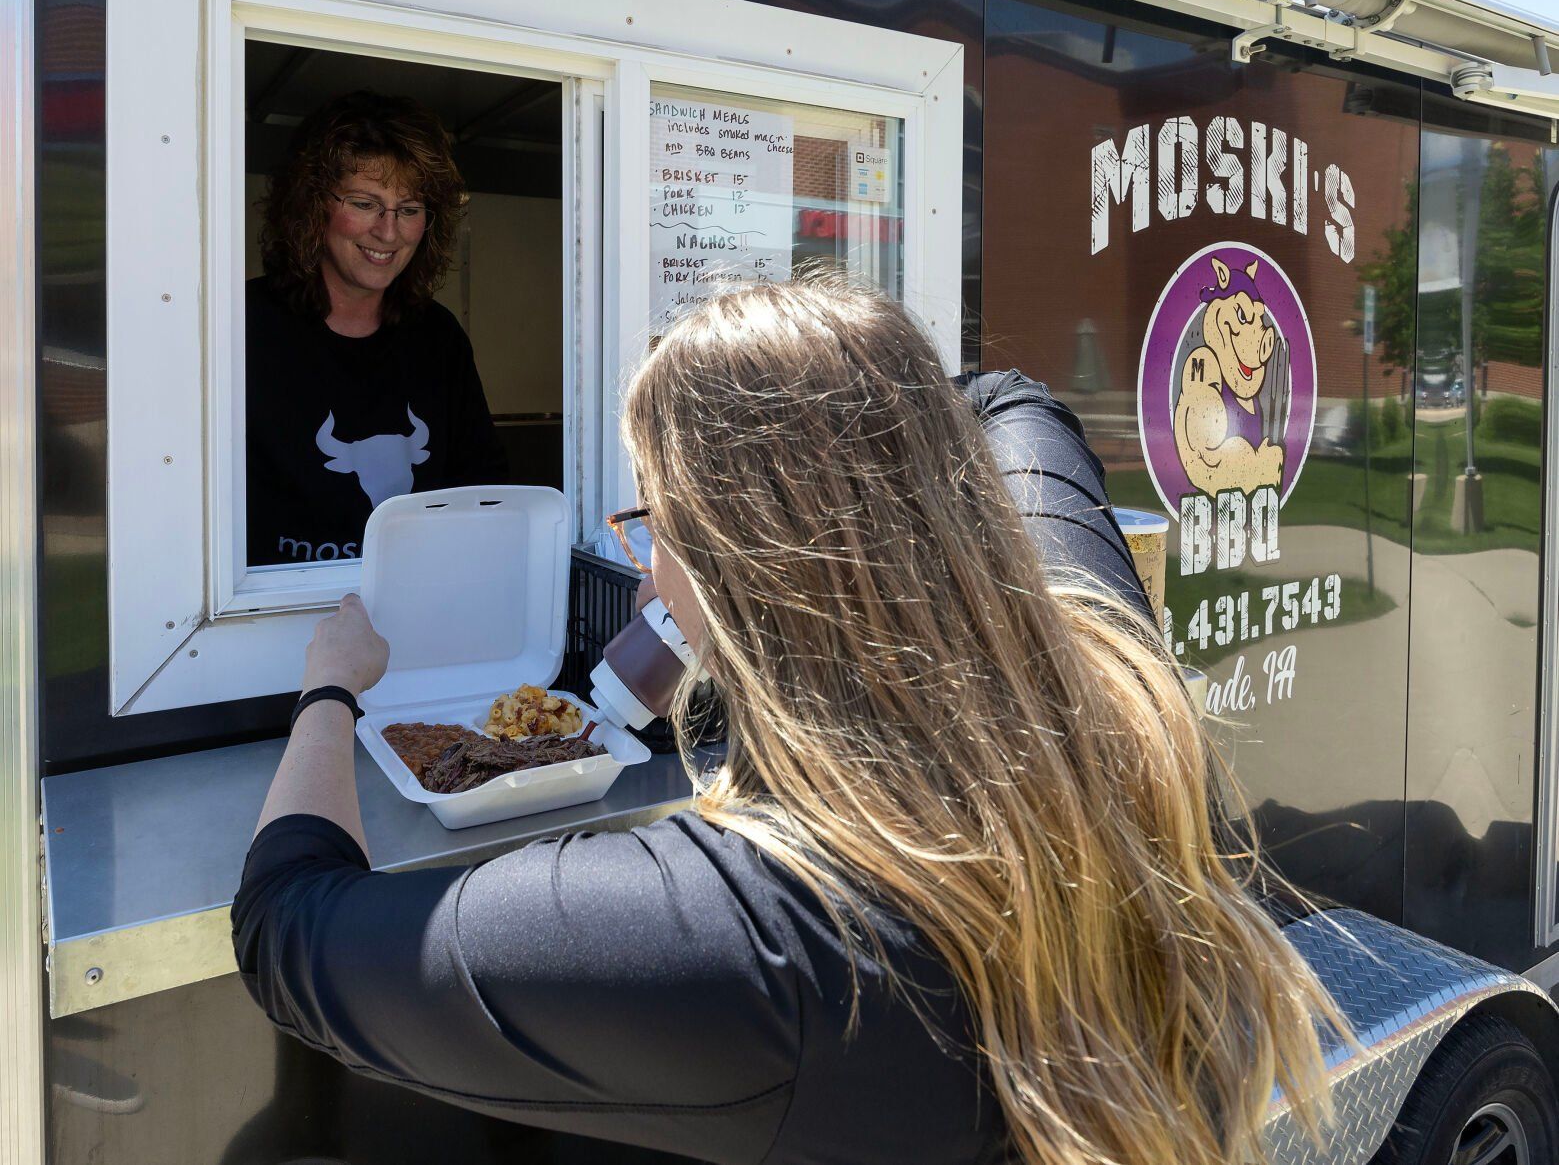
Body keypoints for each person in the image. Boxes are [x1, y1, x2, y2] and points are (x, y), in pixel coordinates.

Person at [233, 277, 1342, 1165]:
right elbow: (1012, 402)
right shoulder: (1115, 693)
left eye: (653, 520)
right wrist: (865, 424)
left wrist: (329, 689)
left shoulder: (748, 933)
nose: (643, 556)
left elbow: (290, 928)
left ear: (725, 562)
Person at [247, 90, 508, 567]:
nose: (388, 232)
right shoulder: (243, 325)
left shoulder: (438, 336)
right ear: (311, 208)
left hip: (416, 605)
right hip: (269, 616)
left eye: (409, 209)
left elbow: (482, 486)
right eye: (365, 203)